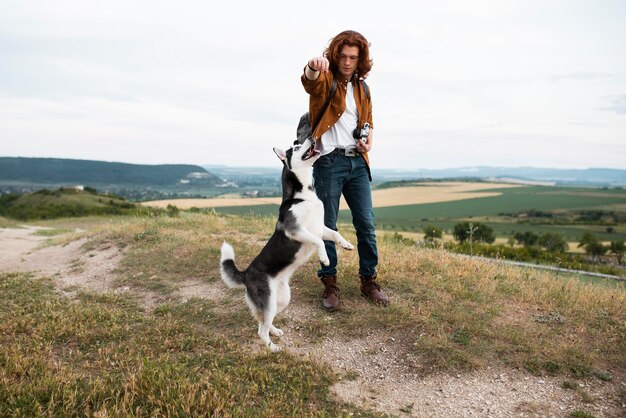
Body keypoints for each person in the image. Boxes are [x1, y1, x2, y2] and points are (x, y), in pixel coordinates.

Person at [301, 30, 389, 310]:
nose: (348, 62)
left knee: (366, 224)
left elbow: (369, 120)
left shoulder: (363, 88)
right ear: (334, 56)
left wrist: (369, 138)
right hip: (329, 163)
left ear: (360, 59)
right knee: (328, 225)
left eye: (353, 57)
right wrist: (312, 66)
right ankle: (330, 284)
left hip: (358, 163)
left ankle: (368, 281)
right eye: (343, 56)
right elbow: (309, 81)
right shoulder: (325, 80)